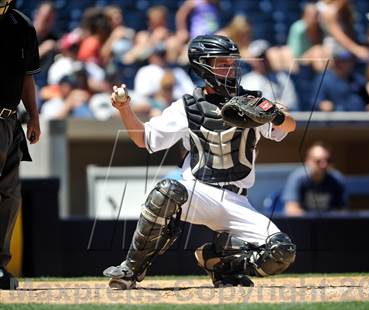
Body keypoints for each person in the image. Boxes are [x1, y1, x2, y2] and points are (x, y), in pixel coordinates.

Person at [103, 35, 297, 289]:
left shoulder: (253, 101)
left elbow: (290, 126)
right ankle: (131, 269)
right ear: (202, 66)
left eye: (231, 62)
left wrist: (274, 114)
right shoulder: (187, 105)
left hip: (238, 200)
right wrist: (124, 108)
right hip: (198, 192)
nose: (229, 68)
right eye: (221, 62)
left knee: (281, 252)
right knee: (167, 191)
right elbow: (145, 140)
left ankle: (216, 261)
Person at [0, 0, 41, 290]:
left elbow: (27, 77)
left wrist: (34, 117)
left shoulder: (21, 24)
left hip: (10, 120)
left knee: (9, 195)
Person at [283, 142, 346, 216]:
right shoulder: (298, 178)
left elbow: (342, 210)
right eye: (318, 161)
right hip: (303, 224)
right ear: (307, 161)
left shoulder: (336, 179)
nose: (324, 165)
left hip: (329, 225)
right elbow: (291, 210)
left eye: (328, 160)